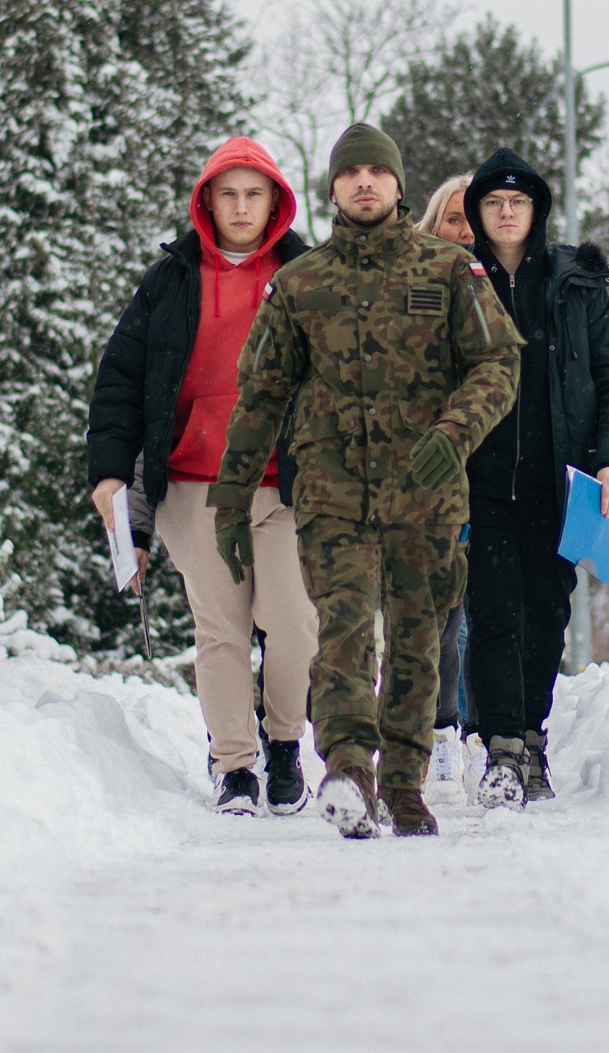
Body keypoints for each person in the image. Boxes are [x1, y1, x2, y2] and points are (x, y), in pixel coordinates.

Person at [210, 125, 521, 839]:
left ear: (398, 183)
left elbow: (499, 365)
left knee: (416, 638)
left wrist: (454, 432)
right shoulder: (299, 284)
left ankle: (405, 785)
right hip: (332, 490)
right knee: (344, 631)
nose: (365, 183)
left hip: (427, 492)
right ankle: (348, 768)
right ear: (333, 188)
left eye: (377, 171)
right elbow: (259, 393)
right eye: (351, 173)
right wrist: (230, 499)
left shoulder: (450, 272)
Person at [87, 137, 317, 818]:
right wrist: (108, 472)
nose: (241, 206)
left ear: (274, 201)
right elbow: (121, 378)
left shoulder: (306, 275)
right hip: (193, 482)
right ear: (207, 202)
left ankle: (283, 744)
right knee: (220, 628)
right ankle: (236, 767)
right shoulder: (170, 279)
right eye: (229, 193)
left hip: (282, 482)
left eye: (254, 193)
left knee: (292, 621)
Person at [461, 147, 609, 809]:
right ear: (478, 213)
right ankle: (501, 750)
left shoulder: (575, 286)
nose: (507, 213)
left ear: (537, 211)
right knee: (494, 613)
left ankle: (531, 741)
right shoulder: (458, 281)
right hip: (481, 486)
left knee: (545, 619)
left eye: (519, 202)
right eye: (493, 202)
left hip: (560, 488)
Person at [413, 173, 475, 793]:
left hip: (497, 472)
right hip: (436, 472)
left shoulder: (503, 289)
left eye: (472, 217)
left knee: (490, 610)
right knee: (444, 612)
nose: (465, 230)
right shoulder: (415, 285)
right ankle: (442, 728)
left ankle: (484, 733)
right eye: (452, 218)